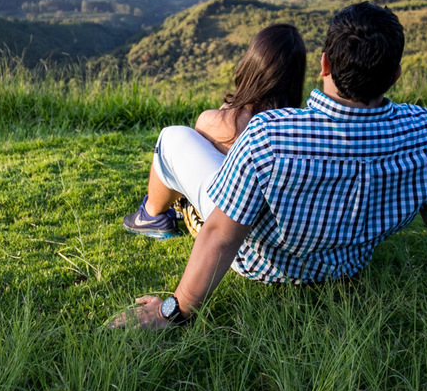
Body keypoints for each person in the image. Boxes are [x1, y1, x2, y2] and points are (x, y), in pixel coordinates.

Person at [111, 2, 427, 330]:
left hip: (261, 264)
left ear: (324, 65)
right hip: (346, 264)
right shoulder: (424, 134)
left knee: (173, 137)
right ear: (395, 76)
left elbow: (222, 234)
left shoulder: (269, 135)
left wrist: (174, 310)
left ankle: (152, 217)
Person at [121, 23, 307, 240]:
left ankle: (151, 215)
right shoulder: (299, 129)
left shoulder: (221, 122)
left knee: (172, 136)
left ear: (251, 64)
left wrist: (231, 108)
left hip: (230, 229)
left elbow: (196, 153)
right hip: (277, 230)